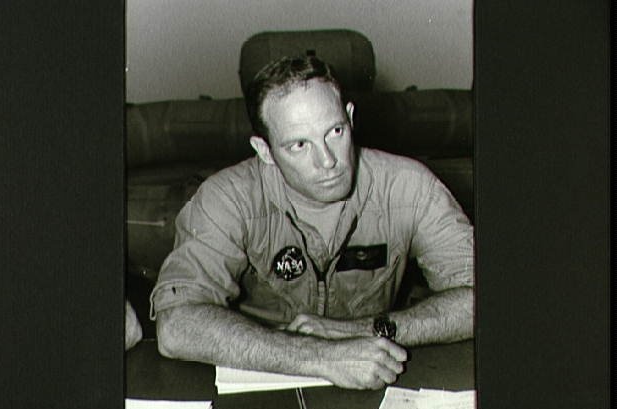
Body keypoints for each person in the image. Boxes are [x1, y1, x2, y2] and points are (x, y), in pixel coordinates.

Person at [149, 56, 474, 390]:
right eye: (299, 145)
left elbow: (480, 299)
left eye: (335, 132)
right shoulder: (227, 197)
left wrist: (361, 330)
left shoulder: (409, 185)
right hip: (262, 386)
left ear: (349, 118)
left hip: (376, 373)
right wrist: (322, 357)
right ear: (265, 151)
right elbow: (176, 324)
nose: (328, 161)